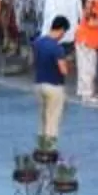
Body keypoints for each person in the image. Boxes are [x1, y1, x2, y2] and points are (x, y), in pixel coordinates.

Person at [31, 14, 73, 145]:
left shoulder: (38, 42)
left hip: (39, 84)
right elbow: (63, 70)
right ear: (61, 30)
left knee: (42, 117)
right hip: (54, 86)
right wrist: (68, 64)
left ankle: (40, 145)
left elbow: (34, 61)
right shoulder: (57, 48)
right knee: (53, 119)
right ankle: (49, 148)